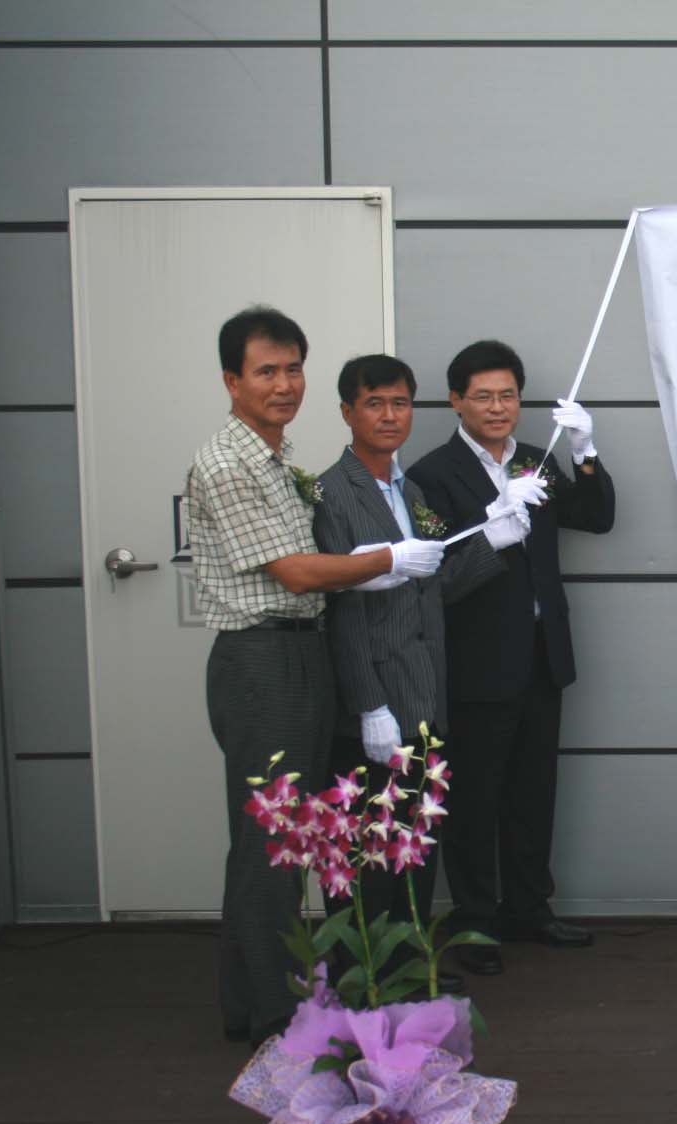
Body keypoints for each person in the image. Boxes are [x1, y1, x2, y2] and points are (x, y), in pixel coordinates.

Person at [186, 307, 446, 1047]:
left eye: (293, 368)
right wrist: (387, 559)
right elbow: (297, 574)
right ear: (231, 380)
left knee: (290, 833)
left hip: (302, 652)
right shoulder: (228, 462)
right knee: (269, 839)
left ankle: (260, 1002)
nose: (283, 384)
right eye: (265, 371)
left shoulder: (276, 458)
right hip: (261, 659)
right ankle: (271, 1013)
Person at [311, 353, 540, 981]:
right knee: (368, 851)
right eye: (374, 404)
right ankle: (363, 980)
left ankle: (410, 970)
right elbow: (342, 608)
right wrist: (368, 704)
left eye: (400, 403)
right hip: (377, 701)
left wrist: (491, 539)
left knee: (413, 845)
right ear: (347, 412)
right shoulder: (333, 493)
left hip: (425, 697)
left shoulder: (408, 491)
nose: (390, 416)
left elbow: (430, 590)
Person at [408, 340, 615, 963]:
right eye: (483, 396)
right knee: (473, 799)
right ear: (456, 401)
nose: (498, 407)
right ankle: (474, 922)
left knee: (533, 793)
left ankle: (529, 909)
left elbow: (597, 517)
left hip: (542, 656)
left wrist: (584, 451)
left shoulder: (536, 461)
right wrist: (493, 534)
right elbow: (434, 582)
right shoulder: (430, 475)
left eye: (508, 395)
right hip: (475, 663)